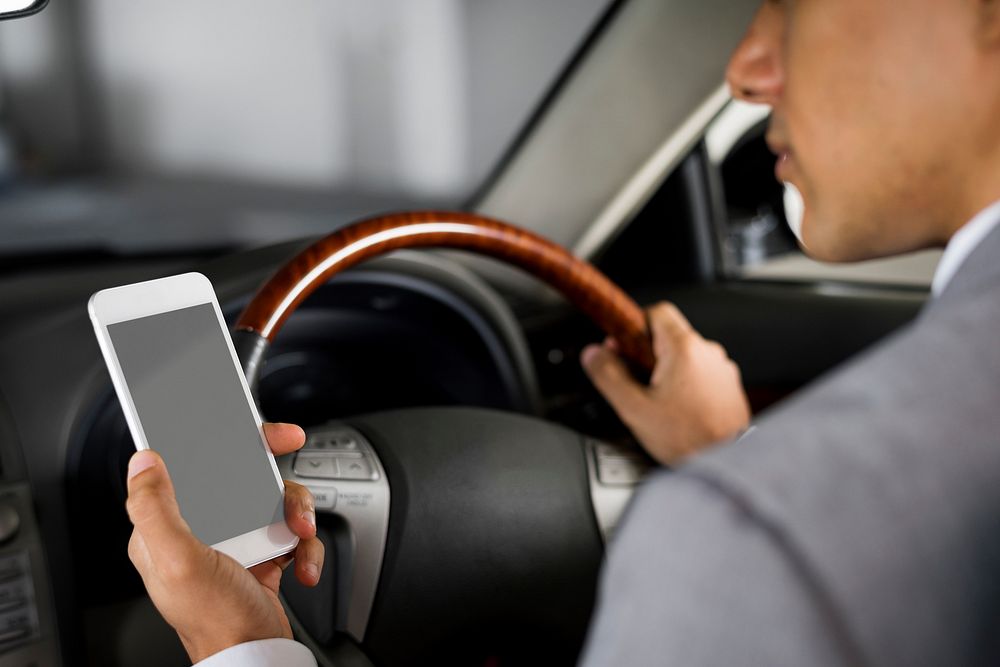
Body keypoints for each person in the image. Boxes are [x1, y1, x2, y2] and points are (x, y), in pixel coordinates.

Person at [126, 0, 1000, 664]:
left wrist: (240, 640)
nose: (744, 69)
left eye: (794, 3)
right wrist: (731, 447)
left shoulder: (748, 541)